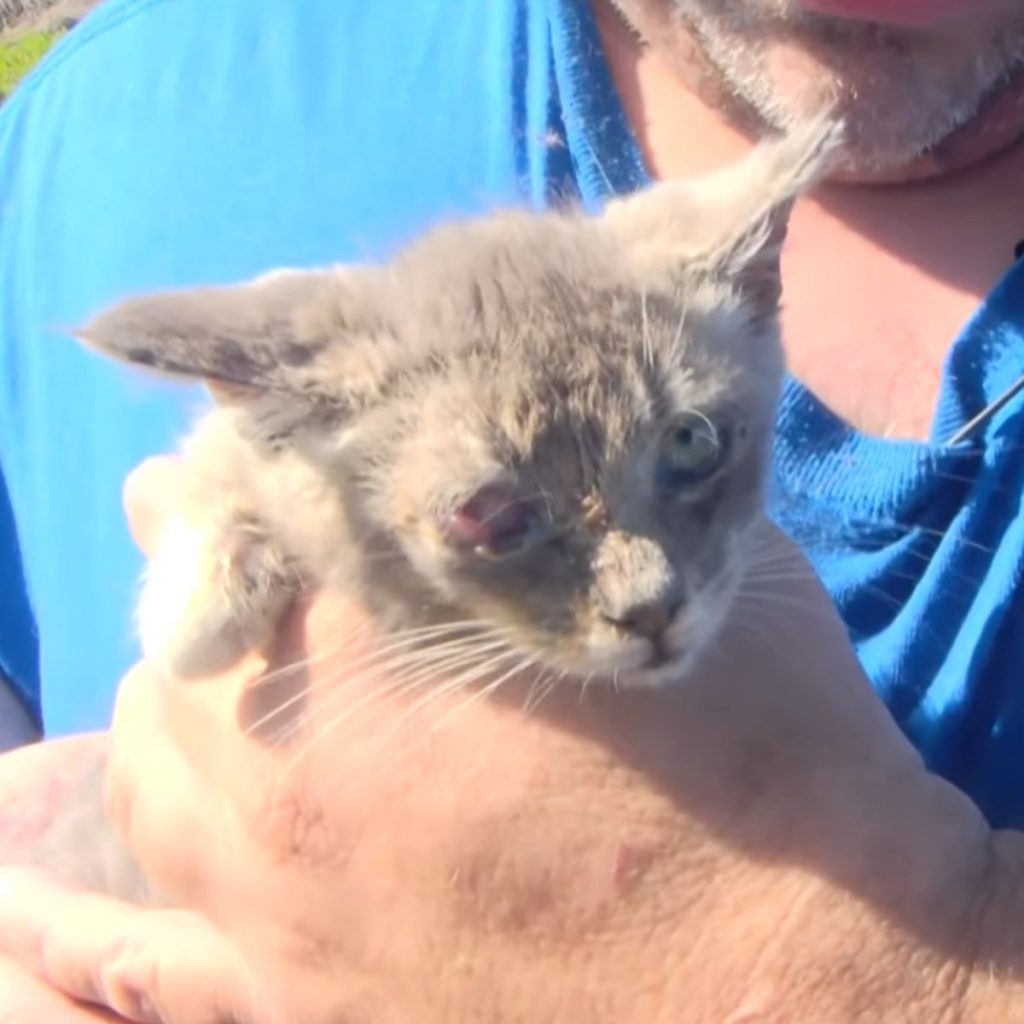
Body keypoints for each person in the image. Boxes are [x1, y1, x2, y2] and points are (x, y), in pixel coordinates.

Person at [0, 0, 1023, 1015]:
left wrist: (892, 971)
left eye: (688, 450)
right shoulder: (97, 135)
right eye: (496, 519)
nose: (644, 588)